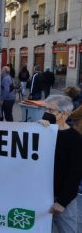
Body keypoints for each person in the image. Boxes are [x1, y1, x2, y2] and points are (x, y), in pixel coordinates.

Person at [40, 95, 82, 233]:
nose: (46, 112)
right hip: (42, 195)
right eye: (45, 108)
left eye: (51, 110)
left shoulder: (75, 139)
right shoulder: (42, 132)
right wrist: (35, 130)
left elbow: (74, 173)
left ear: (64, 113)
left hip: (63, 199)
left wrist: (62, 202)